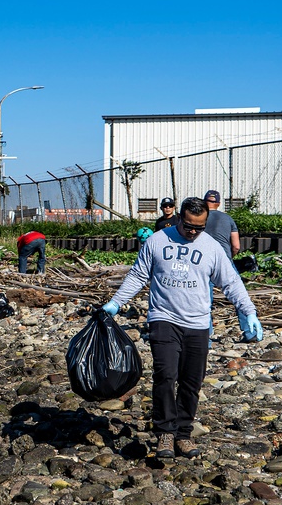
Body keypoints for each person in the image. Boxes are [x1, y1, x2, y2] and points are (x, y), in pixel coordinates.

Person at [101, 197, 263, 459]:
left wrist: (249, 311)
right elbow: (139, 275)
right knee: (165, 374)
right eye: (188, 226)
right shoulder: (157, 241)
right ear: (179, 218)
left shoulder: (211, 247)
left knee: (192, 381)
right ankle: (165, 432)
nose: (193, 232)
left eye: (199, 228)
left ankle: (183, 434)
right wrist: (116, 303)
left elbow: (231, 282)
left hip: (198, 323)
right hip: (163, 318)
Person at [203, 190, 240, 258]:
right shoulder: (229, 219)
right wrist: (229, 258)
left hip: (203, 258)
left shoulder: (198, 217)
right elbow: (236, 247)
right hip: (223, 257)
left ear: (204, 202)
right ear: (218, 204)